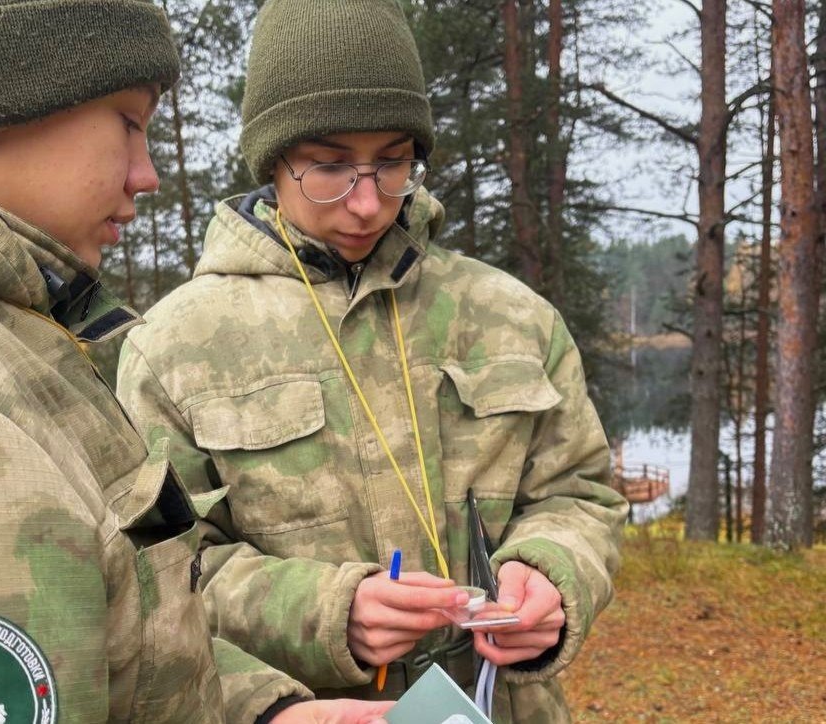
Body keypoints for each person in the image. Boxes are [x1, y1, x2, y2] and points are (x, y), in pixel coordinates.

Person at [0, 2, 394, 722]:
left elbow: (114, 639)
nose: (147, 174)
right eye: (129, 121)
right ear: (1, 84)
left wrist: (262, 712)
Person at [116, 0, 629, 721]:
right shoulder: (174, 348)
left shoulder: (510, 317)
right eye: (328, 167)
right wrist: (324, 611)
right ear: (273, 159)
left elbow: (580, 492)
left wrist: (550, 570)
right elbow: (156, 578)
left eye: (392, 163)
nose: (366, 203)